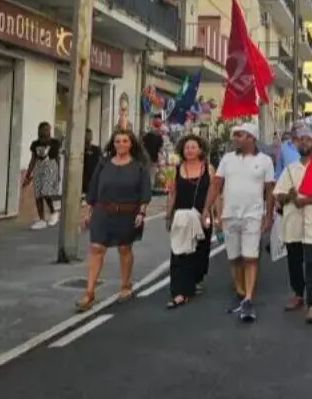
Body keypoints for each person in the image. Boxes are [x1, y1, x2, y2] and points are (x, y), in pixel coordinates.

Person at [204, 122, 275, 323]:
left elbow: (270, 190)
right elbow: (216, 185)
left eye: (240, 135)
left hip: (253, 214)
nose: (236, 138)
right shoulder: (227, 159)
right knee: (234, 257)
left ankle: (249, 298)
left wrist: (268, 215)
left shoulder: (265, 161)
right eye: (235, 135)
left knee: (250, 257)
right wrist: (205, 210)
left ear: (252, 138)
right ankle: (240, 291)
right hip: (230, 215)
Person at [77, 129, 152, 312]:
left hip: (127, 213)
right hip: (103, 211)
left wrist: (141, 213)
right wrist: (88, 212)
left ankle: (125, 285)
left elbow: (144, 192)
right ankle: (89, 292)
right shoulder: (103, 164)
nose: (121, 144)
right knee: (96, 248)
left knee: (124, 248)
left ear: (131, 144)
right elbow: (93, 188)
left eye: (125, 141)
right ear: (113, 144)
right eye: (117, 141)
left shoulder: (139, 167)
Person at [273, 124, 312, 324]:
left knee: (311, 262)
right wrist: (288, 196)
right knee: (293, 262)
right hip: (293, 222)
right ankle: (298, 294)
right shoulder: (290, 169)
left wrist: (305, 201)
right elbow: (279, 195)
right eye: (301, 140)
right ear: (296, 144)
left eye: (308, 140)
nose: (304, 142)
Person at [165, 135, 214, 309]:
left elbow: (213, 192)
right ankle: (179, 291)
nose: (190, 150)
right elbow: (172, 193)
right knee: (179, 253)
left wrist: (212, 213)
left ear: (200, 149)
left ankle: (194, 280)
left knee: (200, 251)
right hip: (181, 217)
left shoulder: (209, 168)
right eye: (187, 147)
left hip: (202, 215)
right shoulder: (176, 169)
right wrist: (168, 214)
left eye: (194, 147)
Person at [23, 122, 61, 229]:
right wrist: (28, 175)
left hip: (51, 167)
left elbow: (57, 158)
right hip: (39, 168)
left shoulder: (55, 142)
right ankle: (41, 220)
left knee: (45, 192)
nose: (46, 132)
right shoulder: (35, 144)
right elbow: (33, 160)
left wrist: (58, 174)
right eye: (44, 129)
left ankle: (54, 212)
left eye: (48, 129)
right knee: (38, 194)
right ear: (39, 130)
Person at [142, 117, 164, 189]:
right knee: (151, 174)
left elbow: (143, 144)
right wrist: (156, 160)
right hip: (151, 157)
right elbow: (158, 149)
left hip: (145, 157)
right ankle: (148, 189)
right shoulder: (159, 137)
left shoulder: (147, 135)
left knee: (145, 173)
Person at [82, 128, 102, 195]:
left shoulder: (96, 149)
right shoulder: (80, 150)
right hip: (83, 178)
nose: (88, 137)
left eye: (89, 135)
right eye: (86, 135)